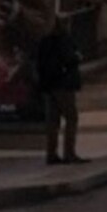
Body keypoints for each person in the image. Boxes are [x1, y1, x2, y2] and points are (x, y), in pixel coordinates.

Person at [29, 12, 84, 165]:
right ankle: (69, 153)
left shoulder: (45, 41)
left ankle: (51, 154)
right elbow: (69, 58)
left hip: (48, 86)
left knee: (53, 121)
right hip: (64, 85)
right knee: (71, 117)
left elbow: (38, 62)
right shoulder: (64, 40)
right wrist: (77, 57)